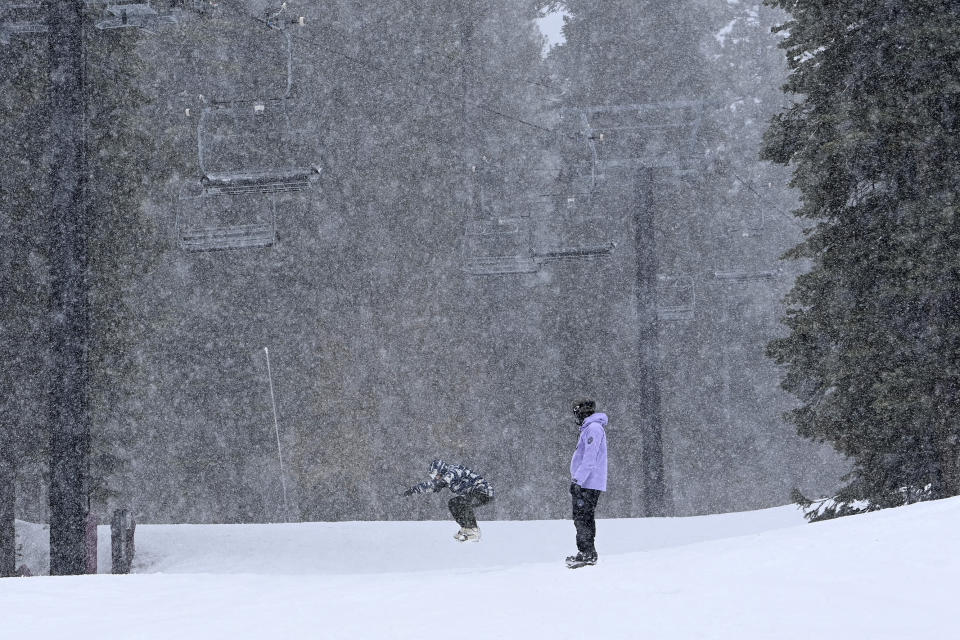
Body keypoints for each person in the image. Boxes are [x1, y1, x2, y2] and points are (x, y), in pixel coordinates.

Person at [401, 459, 495, 542]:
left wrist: (442, 482)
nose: (435, 478)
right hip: (472, 494)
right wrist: (413, 490)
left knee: (461, 502)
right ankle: (466, 527)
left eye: (435, 475)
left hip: (483, 492)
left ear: (441, 469)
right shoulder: (445, 478)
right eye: (433, 476)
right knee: (453, 503)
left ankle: (473, 529)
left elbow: (452, 475)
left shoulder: (453, 469)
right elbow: (431, 485)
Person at [566, 399, 608, 568]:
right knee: (584, 517)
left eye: (577, 412)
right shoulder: (590, 429)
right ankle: (588, 552)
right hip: (587, 482)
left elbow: (589, 458)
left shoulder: (593, 429)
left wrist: (578, 480)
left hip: (587, 483)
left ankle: (586, 552)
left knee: (582, 517)